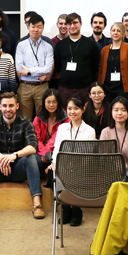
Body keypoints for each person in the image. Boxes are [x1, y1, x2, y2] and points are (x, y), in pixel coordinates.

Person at [52, 96, 97, 227]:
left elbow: (87, 156)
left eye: (76, 108)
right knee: (56, 172)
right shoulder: (62, 128)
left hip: (81, 167)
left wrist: (75, 166)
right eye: (69, 108)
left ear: (83, 109)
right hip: (63, 166)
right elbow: (56, 149)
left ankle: (77, 210)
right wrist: (54, 163)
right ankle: (65, 209)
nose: (72, 112)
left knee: (74, 175)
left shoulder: (89, 130)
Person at [53, 13, 99, 106]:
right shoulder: (60, 45)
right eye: (69, 24)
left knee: (86, 116)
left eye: (75, 23)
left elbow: (95, 66)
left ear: (81, 24)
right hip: (65, 89)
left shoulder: (91, 44)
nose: (72, 26)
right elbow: (58, 66)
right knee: (65, 116)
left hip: (85, 88)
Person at [15, 13, 54, 119]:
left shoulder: (48, 46)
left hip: (42, 87)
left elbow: (48, 68)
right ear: (28, 27)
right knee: (24, 118)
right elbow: (19, 68)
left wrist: (29, 72)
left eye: (39, 27)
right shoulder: (21, 45)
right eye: (33, 26)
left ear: (43, 28)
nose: (36, 29)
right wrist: (39, 74)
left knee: (43, 118)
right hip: (25, 87)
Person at [33, 88, 68, 183]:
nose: (51, 105)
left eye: (54, 102)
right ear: (44, 103)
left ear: (59, 103)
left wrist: (47, 151)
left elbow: (57, 137)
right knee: (33, 161)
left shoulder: (66, 118)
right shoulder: (38, 117)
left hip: (58, 150)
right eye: (48, 102)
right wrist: (43, 152)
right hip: (41, 151)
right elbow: (35, 137)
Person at [100, 96, 128, 175]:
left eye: (123, 110)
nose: (119, 113)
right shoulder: (105, 132)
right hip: (108, 173)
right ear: (111, 112)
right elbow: (102, 157)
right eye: (116, 110)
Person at [98, 22, 128, 103]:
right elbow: (101, 70)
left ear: (123, 34)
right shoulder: (104, 50)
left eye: (118, 31)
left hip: (123, 88)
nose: (115, 32)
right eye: (113, 30)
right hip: (108, 87)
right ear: (110, 33)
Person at [49, 14, 69, 89]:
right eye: (61, 23)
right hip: (54, 80)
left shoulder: (72, 41)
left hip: (68, 79)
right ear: (57, 25)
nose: (63, 26)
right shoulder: (51, 42)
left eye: (66, 24)